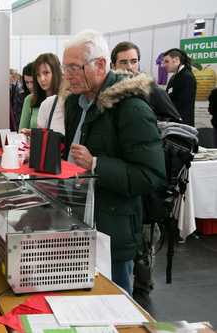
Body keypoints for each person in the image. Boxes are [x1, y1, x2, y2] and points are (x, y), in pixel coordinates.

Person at [61, 30, 166, 296]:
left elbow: (150, 175)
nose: (67, 75)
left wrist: (96, 164)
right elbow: (74, 153)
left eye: (74, 67)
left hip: (112, 228)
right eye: (65, 67)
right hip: (77, 223)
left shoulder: (131, 108)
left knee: (115, 305)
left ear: (100, 65)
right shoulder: (76, 103)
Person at [110, 41, 181, 306]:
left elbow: (177, 127)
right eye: (124, 62)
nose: (130, 67)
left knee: (146, 236)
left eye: (134, 61)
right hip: (123, 176)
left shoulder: (152, 90)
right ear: (113, 64)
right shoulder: (112, 92)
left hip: (148, 177)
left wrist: (148, 131)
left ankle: (143, 288)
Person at [18, 53, 62, 134]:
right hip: (34, 145)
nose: (42, 79)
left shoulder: (64, 100)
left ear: (56, 72)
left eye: (46, 73)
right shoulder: (30, 99)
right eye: (38, 75)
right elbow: (21, 133)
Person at [163, 48, 197, 126]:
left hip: (182, 125)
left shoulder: (186, 77)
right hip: (174, 122)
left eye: (167, 61)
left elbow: (182, 104)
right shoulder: (175, 76)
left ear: (176, 59)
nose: (164, 65)